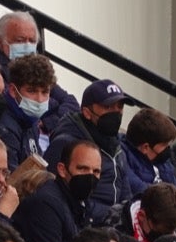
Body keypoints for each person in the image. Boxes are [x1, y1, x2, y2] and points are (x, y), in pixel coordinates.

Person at [12, 138, 99, 242]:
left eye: (96, 172)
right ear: (62, 170)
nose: (90, 176)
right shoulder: (47, 204)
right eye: (82, 168)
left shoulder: (81, 203)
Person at [51, 79, 130, 224]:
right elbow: (57, 195)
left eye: (120, 107)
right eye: (108, 107)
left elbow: (126, 192)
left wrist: (126, 212)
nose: (116, 112)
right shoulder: (66, 143)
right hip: (83, 225)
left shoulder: (117, 146)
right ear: (87, 112)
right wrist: (109, 214)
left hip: (114, 225)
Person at [0, 10, 78, 119]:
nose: (27, 46)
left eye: (32, 41)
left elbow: (70, 102)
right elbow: (14, 103)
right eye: (20, 40)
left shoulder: (34, 66)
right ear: (0, 42)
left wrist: (49, 122)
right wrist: (53, 106)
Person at [0, 53, 61, 167]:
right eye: (31, 91)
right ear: (13, 90)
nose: (39, 99)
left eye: (45, 92)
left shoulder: (30, 120)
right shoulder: (4, 127)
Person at [119, 107, 176, 200]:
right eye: (164, 145)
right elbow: (137, 188)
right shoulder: (122, 156)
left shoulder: (162, 161)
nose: (167, 149)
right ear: (145, 147)